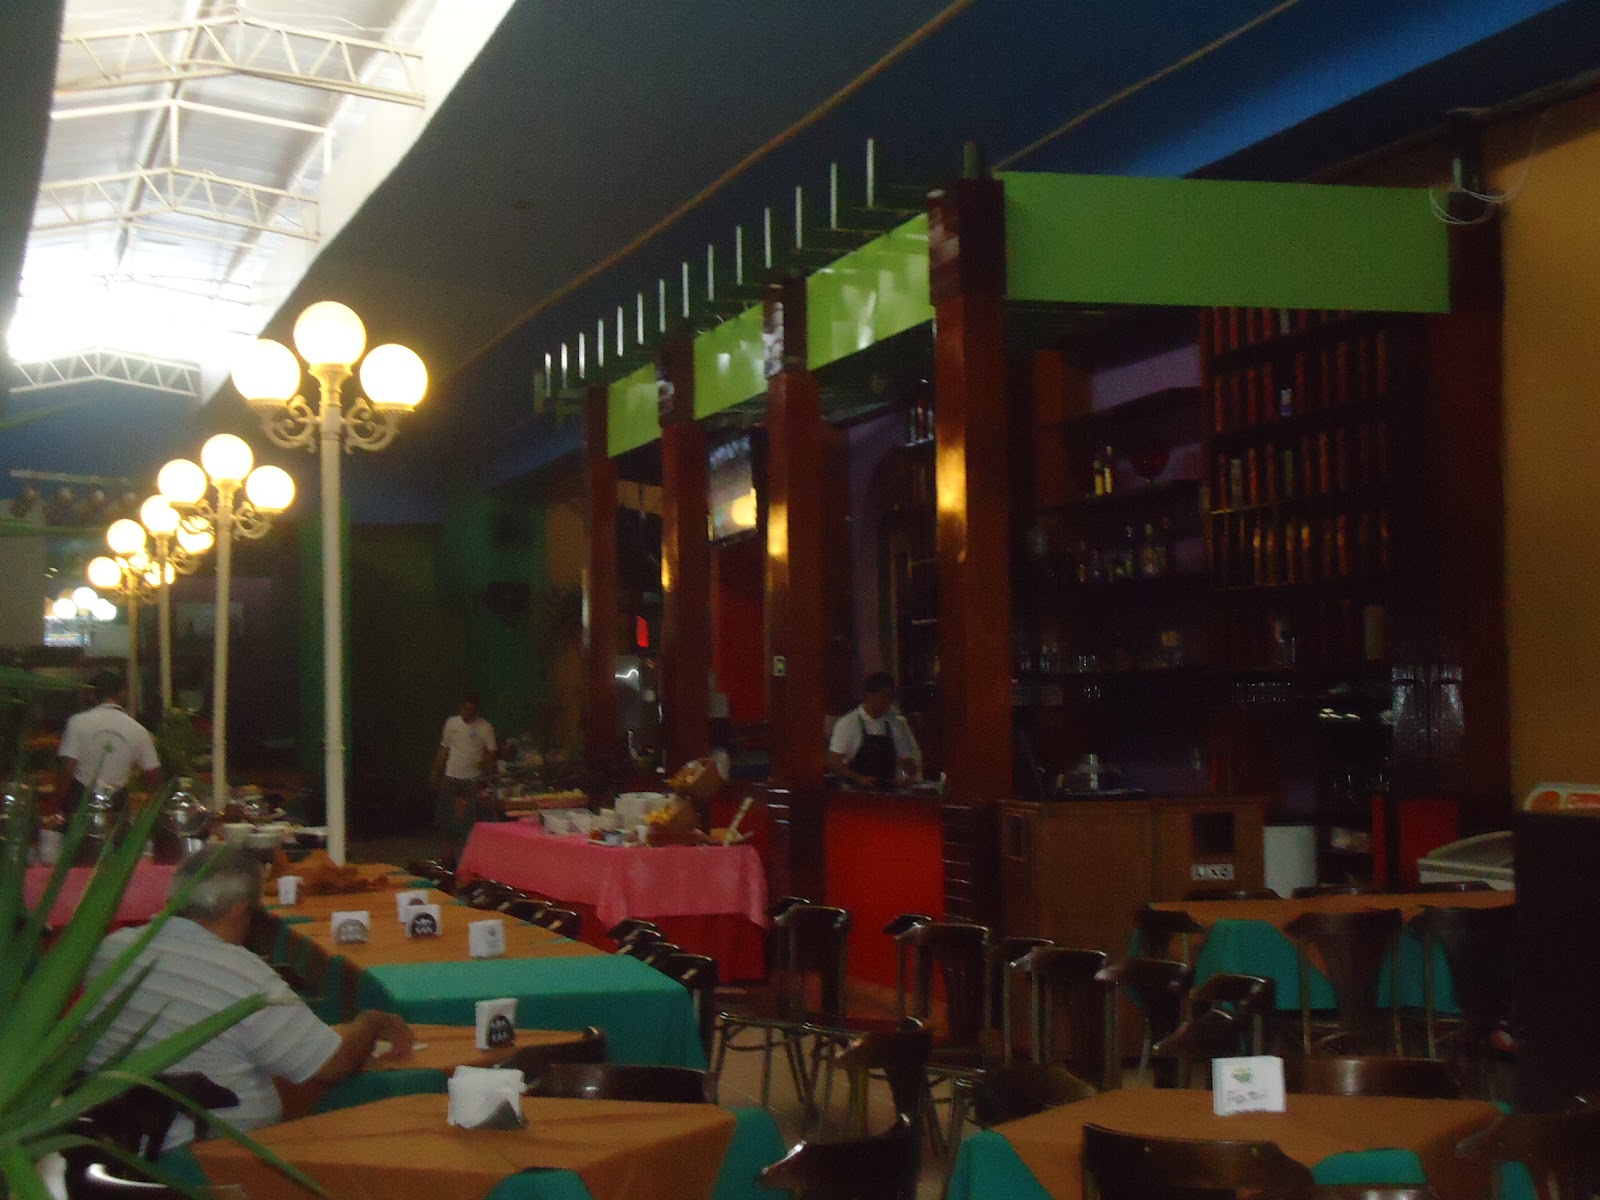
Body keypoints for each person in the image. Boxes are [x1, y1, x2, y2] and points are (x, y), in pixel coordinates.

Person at [83, 846, 414, 1145]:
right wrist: (370, 1023)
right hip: (209, 1147)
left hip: (115, 1135)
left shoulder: (112, 949)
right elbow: (331, 1064)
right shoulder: (242, 974)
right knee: (371, 1092)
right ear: (240, 909)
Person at [55, 670, 160, 815]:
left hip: (80, 802)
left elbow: (68, 769)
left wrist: (54, 803)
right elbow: (153, 774)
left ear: (92, 695)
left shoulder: (77, 723)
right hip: (117, 805)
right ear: (122, 693)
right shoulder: (138, 730)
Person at [827, 671, 922, 790]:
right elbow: (833, 762)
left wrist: (911, 775)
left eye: (891, 697)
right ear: (869, 695)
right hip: (855, 791)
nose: (888, 702)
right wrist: (859, 778)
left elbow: (906, 760)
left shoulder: (896, 724)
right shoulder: (848, 723)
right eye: (883, 697)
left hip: (888, 791)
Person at [430, 690, 496, 853]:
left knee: (470, 815)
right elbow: (444, 748)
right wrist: (436, 770)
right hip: (451, 775)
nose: (467, 712)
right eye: (465, 709)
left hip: (472, 779)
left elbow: (492, 752)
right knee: (445, 814)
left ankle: (470, 849)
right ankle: (447, 850)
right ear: (461, 708)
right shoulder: (452, 724)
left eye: (471, 710)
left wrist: (483, 762)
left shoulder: (485, 727)